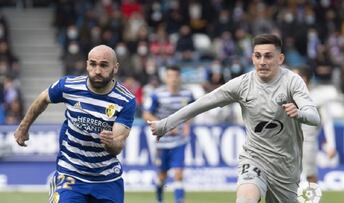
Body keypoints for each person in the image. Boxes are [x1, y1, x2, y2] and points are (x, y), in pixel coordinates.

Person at [147, 34, 321, 203]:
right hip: (255, 158)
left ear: (280, 58)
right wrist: (165, 124)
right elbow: (202, 103)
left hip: (286, 166)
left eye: (268, 56)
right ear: (252, 58)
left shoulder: (293, 81)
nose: (262, 62)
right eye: (258, 56)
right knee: (245, 198)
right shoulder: (242, 84)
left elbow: (314, 117)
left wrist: (299, 114)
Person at [14, 45, 136, 203]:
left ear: (115, 67)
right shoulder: (69, 86)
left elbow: (118, 146)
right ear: (87, 65)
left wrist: (110, 143)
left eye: (104, 65)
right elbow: (42, 99)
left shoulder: (126, 100)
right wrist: (23, 127)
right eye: (93, 64)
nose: (97, 70)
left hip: (107, 179)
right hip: (71, 173)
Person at [143, 66, 194, 203]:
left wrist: (187, 124)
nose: (173, 79)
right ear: (166, 78)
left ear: (180, 78)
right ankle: (159, 199)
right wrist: (164, 127)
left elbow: (193, 111)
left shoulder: (187, 94)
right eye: (170, 76)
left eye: (176, 76)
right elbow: (146, 114)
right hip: (162, 142)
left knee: (178, 174)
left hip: (179, 141)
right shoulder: (157, 94)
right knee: (162, 176)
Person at [293, 67, 337, 183]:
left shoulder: (318, 97)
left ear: (305, 78)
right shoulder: (287, 95)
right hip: (288, 141)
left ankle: (315, 200)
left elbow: (327, 122)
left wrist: (331, 144)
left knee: (310, 175)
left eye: (295, 76)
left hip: (308, 141)